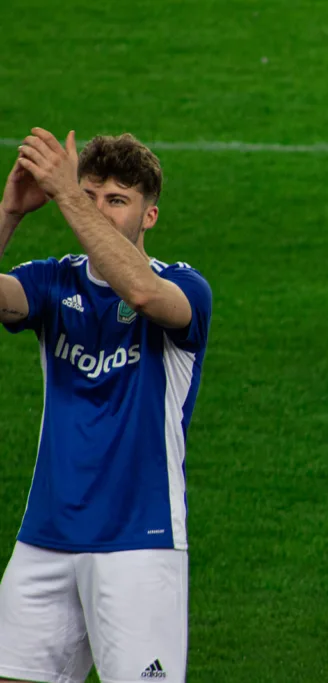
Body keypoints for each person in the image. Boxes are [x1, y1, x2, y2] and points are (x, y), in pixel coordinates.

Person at [0, 130, 212, 683]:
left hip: (137, 543)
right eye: (91, 195)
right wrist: (9, 213)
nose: (98, 210)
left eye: (116, 200)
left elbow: (141, 294)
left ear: (150, 217)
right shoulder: (52, 281)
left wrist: (68, 194)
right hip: (46, 537)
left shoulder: (184, 287)